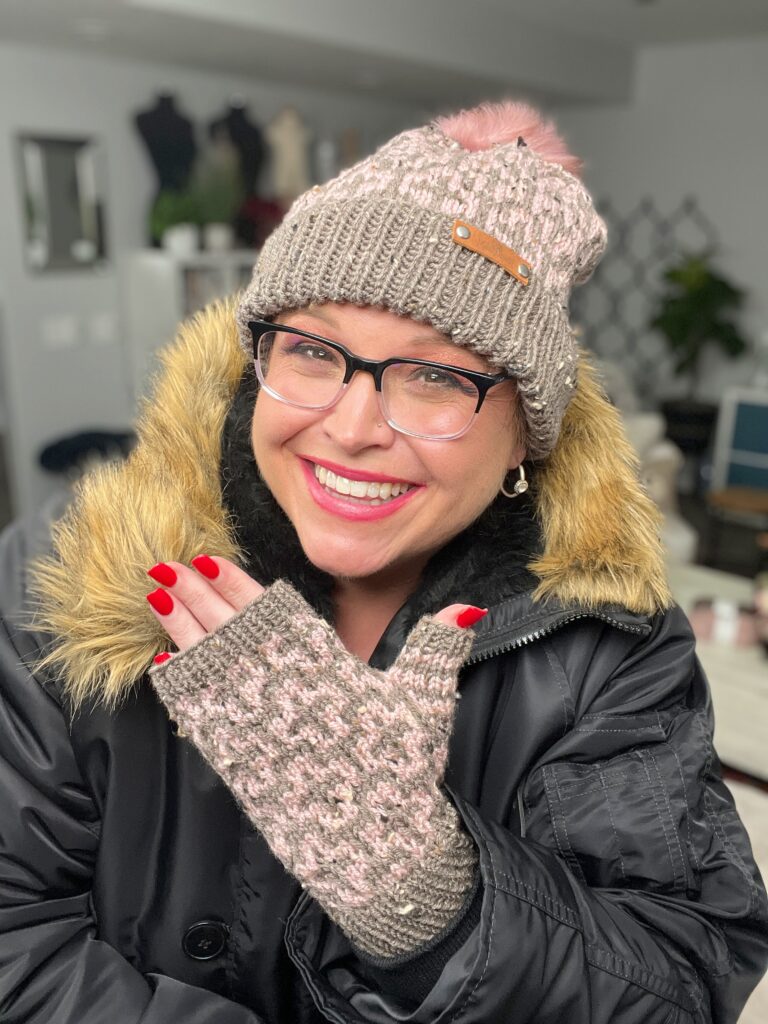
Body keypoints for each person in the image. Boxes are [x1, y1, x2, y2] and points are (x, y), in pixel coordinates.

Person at [1, 101, 766, 1024]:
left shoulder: (608, 648)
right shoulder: (66, 572)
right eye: (315, 352)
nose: (354, 430)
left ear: (525, 430)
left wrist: (431, 898)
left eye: (438, 376)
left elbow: (680, 987)